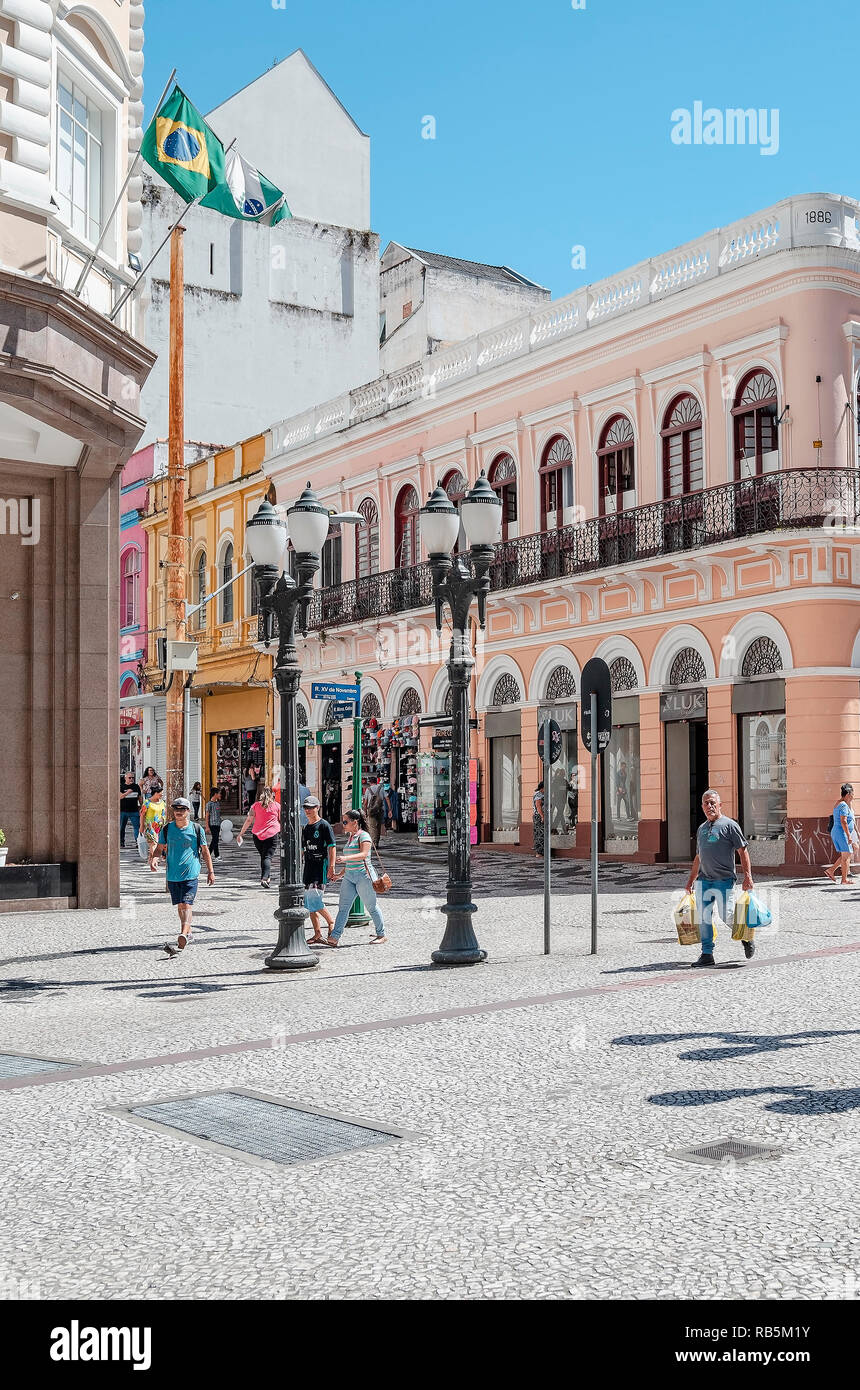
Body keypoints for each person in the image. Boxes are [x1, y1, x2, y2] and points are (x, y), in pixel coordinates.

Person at [684, 789, 755, 968]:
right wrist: (690, 880)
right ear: (702, 807)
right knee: (704, 917)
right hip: (704, 881)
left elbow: (743, 851)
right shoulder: (701, 829)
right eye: (706, 803)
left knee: (727, 915)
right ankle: (707, 954)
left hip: (724, 880)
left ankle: (746, 937)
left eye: (713, 803)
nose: (709, 806)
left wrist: (748, 876)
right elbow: (698, 858)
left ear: (720, 805)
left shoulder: (730, 825)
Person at [153, 797, 215, 957]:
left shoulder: (196, 829)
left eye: (182, 810)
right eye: (176, 810)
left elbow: (205, 851)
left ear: (188, 811)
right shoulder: (167, 829)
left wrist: (210, 871)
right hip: (173, 874)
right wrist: (154, 858)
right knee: (180, 905)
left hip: (191, 873)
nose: (179, 812)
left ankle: (183, 934)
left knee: (187, 904)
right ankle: (189, 932)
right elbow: (159, 848)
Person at [327, 809, 386, 946]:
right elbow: (350, 863)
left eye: (346, 821)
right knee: (343, 907)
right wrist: (339, 875)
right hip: (349, 877)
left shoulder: (364, 836)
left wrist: (345, 858)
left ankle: (381, 934)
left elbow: (364, 854)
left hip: (364, 876)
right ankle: (334, 937)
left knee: (371, 906)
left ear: (355, 822)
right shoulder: (351, 837)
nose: (343, 824)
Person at [301, 795, 337, 942]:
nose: (308, 810)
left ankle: (331, 922)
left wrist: (331, 866)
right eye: (305, 807)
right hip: (308, 866)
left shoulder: (324, 825)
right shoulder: (306, 828)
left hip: (320, 865)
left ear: (318, 808)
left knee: (314, 898)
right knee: (308, 902)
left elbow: (332, 846)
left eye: (311, 807)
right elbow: (303, 848)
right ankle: (317, 933)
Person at [236, 785, 281, 887]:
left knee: (264, 857)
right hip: (272, 834)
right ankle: (264, 878)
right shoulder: (277, 806)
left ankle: (266, 877)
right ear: (272, 794)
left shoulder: (255, 806)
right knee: (267, 857)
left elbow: (249, 820)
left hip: (257, 835)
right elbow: (281, 820)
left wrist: (241, 834)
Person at [825, 783, 858, 885]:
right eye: (852, 794)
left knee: (846, 855)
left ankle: (831, 871)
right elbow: (843, 821)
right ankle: (844, 880)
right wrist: (848, 835)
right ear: (848, 794)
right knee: (846, 856)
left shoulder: (840, 803)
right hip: (841, 832)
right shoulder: (843, 805)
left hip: (838, 832)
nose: (853, 796)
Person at [139, 781, 166, 865]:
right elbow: (142, 815)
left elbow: (164, 814)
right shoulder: (147, 802)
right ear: (155, 793)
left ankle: (151, 859)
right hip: (150, 826)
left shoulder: (162, 802)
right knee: (153, 843)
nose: (162, 795)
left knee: (159, 844)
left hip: (160, 827)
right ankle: (155, 861)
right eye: (160, 793)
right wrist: (141, 826)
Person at [120, 772, 142, 848]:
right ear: (125, 778)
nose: (131, 779)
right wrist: (127, 793)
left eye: (133, 778)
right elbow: (120, 797)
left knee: (137, 827)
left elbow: (139, 797)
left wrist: (142, 806)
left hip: (134, 810)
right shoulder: (121, 786)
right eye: (129, 778)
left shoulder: (136, 786)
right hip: (123, 811)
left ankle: (137, 842)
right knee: (121, 827)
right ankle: (121, 842)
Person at [364, 777, 385, 848]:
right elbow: (387, 798)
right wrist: (390, 809)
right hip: (380, 809)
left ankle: (374, 842)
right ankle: (377, 842)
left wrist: (365, 811)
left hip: (371, 810)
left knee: (372, 827)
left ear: (370, 782)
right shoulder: (381, 788)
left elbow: (365, 802)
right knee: (378, 826)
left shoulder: (368, 790)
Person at [204, 786, 222, 859]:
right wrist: (207, 826)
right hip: (212, 824)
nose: (220, 795)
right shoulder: (209, 804)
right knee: (215, 839)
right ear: (215, 794)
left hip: (218, 824)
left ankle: (215, 855)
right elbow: (207, 816)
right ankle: (210, 854)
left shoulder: (218, 803)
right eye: (219, 793)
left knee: (216, 839)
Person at [533, 781, 545, 858]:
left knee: (541, 833)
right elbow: (538, 806)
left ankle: (541, 852)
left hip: (539, 815)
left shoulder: (540, 794)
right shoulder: (539, 794)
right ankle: (539, 852)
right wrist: (542, 816)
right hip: (539, 816)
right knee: (540, 834)